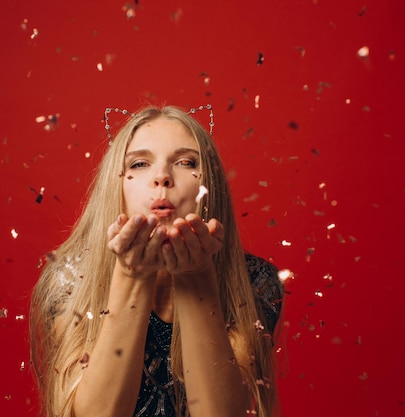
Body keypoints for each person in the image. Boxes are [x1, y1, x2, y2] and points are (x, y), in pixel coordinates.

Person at [29, 104, 284, 417]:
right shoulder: (69, 279)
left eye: (185, 161)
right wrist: (131, 276)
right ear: (116, 186)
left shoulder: (254, 279)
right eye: (139, 163)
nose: (162, 176)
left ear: (209, 187)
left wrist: (196, 276)